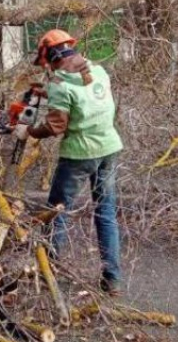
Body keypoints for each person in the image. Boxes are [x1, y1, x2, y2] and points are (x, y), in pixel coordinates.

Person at [16, 29, 124, 296]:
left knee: (56, 211)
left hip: (80, 154)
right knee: (106, 213)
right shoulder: (99, 72)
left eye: (48, 63)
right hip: (109, 148)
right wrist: (46, 92)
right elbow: (85, 97)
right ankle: (112, 280)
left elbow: (55, 126)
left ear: (53, 56)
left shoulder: (61, 86)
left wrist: (28, 131)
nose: (48, 69)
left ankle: (49, 269)